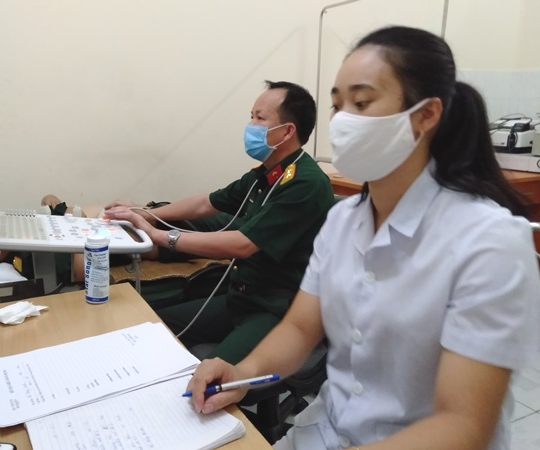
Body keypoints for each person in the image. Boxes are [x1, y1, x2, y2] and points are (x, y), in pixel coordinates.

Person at [186, 26, 540, 450]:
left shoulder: (489, 243)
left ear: (425, 115)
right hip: (324, 431)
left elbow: (462, 425)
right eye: (338, 106)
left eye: (362, 102)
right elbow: (299, 328)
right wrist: (243, 373)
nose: (343, 121)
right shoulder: (343, 221)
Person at [106, 80, 335, 364]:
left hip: (278, 311)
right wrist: (146, 213)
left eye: (260, 118)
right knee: (153, 327)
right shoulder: (264, 175)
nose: (250, 125)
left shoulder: (306, 183)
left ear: (287, 131)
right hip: (241, 298)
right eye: (251, 116)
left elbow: (243, 245)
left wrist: (160, 236)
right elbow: (205, 203)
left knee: (207, 379)